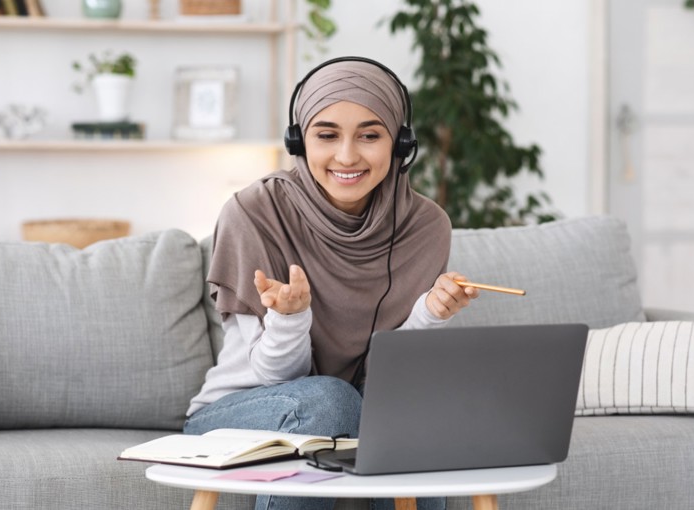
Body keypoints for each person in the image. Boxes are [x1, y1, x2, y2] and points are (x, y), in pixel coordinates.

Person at [185, 56, 479, 510]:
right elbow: (272, 375)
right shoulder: (253, 213)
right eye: (326, 135)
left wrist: (430, 315)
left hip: (362, 404)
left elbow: (391, 376)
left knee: (413, 406)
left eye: (369, 135)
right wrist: (289, 318)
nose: (346, 156)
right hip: (244, 410)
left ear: (400, 144)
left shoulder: (425, 226)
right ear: (299, 141)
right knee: (329, 401)